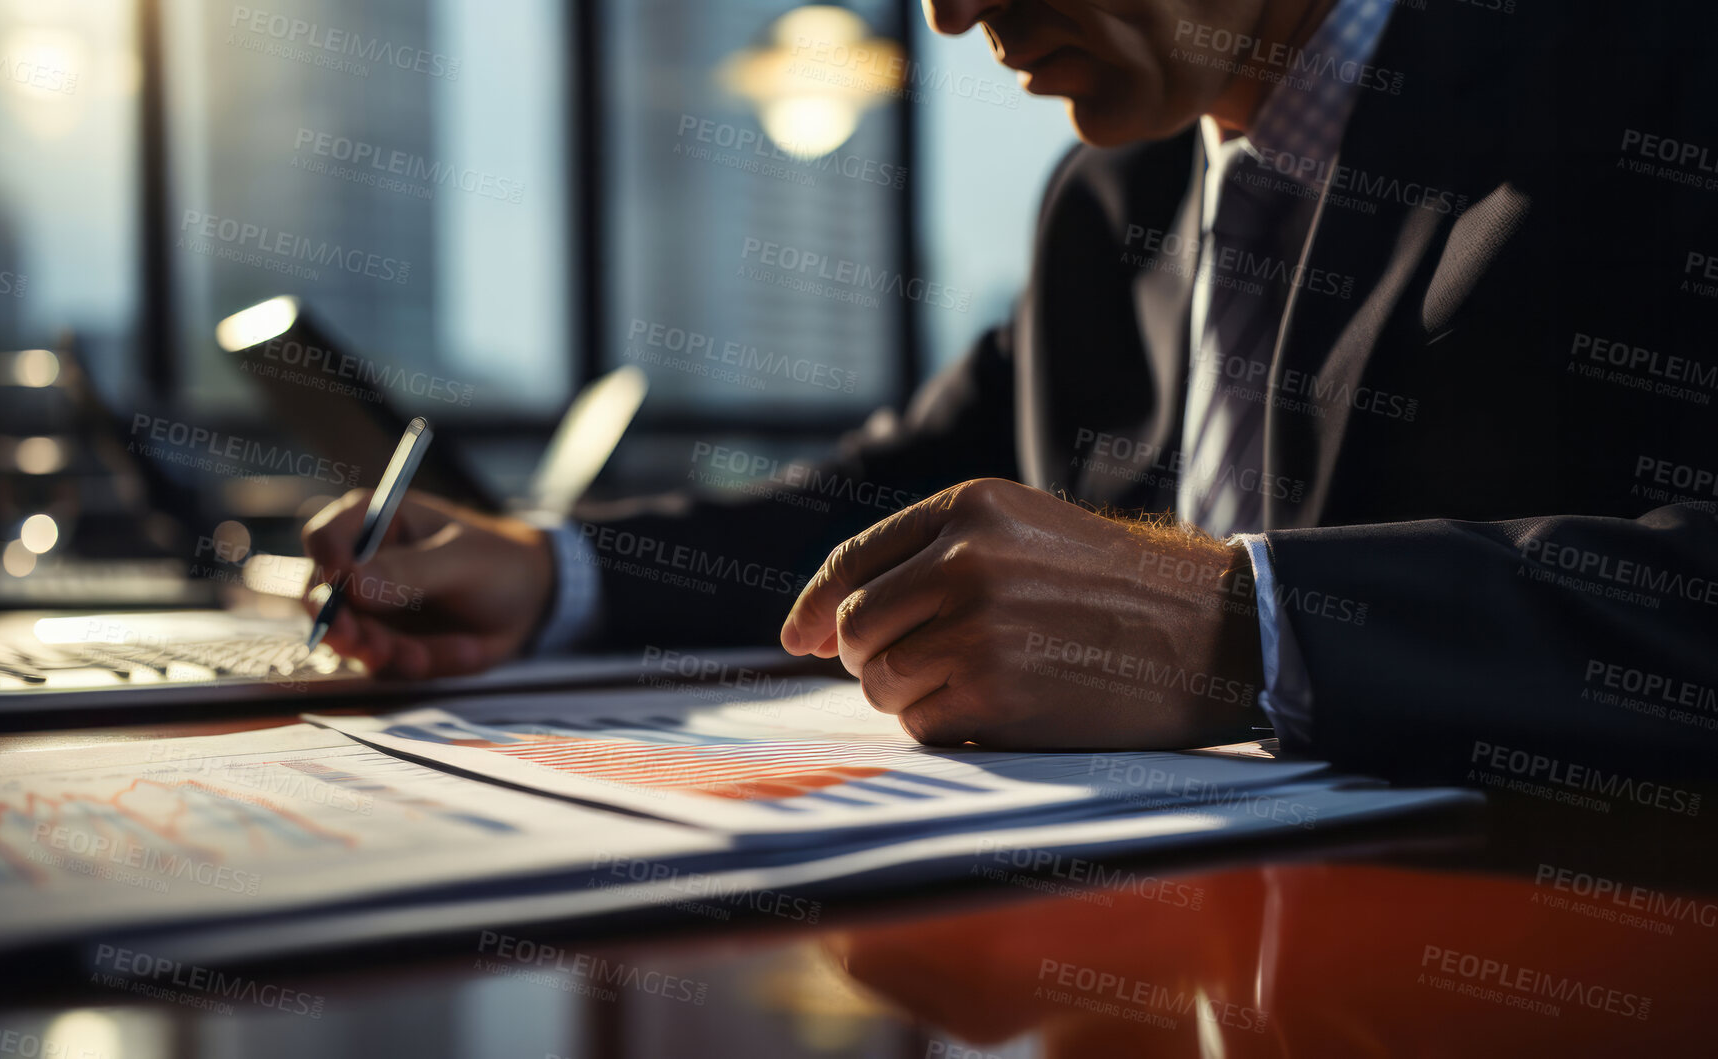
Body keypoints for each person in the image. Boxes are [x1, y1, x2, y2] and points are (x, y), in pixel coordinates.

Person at [303, 0, 1718, 786]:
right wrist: (548, 572)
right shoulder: (1112, 191)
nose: (951, 8)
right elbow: (880, 502)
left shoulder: (1658, 79)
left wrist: (1240, 621)